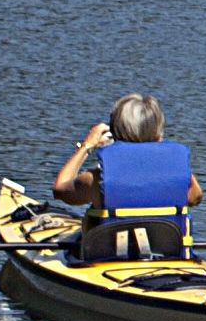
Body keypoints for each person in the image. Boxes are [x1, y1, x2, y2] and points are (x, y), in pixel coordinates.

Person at [46, 93, 197, 263]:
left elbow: (60, 189)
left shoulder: (98, 179)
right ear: (158, 129)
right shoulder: (177, 175)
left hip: (109, 263)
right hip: (171, 261)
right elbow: (195, 197)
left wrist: (87, 146)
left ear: (116, 129)